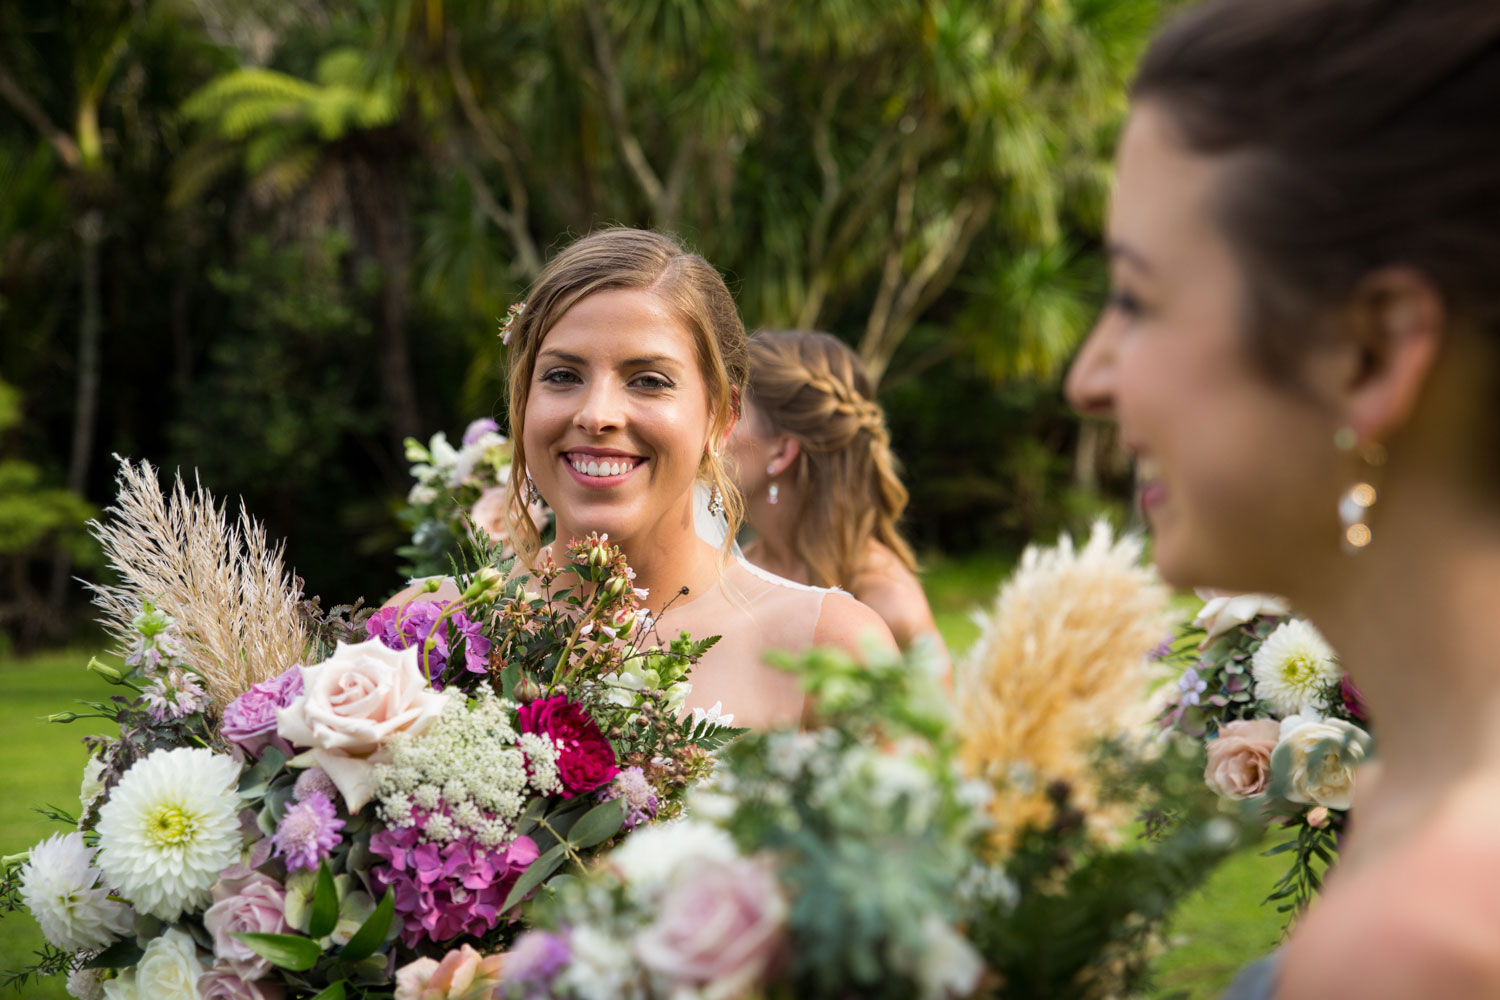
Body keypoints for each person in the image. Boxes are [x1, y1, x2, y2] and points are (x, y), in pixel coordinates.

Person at [1063, 1, 1500, 996]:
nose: (1089, 378)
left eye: (1135, 299)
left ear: (1369, 353)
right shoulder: (1403, 800)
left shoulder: (1425, 940)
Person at [394, 228, 896, 730]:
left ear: (722, 417)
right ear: (523, 402)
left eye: (649, 381)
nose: (597, 415)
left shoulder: (831, 651)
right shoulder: (420, 629)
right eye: (562, 376)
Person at [726, 330, 944, 657]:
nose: (707, 427)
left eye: (733, 412)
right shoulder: (728, 572)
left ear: (782, 451)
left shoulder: (890, 608)